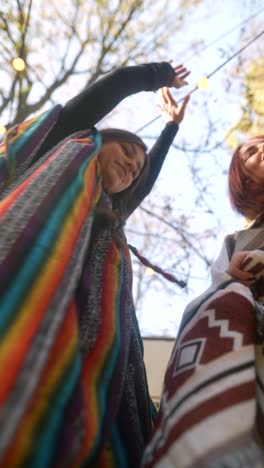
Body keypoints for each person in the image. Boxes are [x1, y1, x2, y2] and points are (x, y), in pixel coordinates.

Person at [0, 61, 190, 467]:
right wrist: (158, 76)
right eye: (126, 151)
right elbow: (115, 85)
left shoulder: (110, 218)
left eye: (137, 169)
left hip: (73, 353)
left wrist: (171, 130)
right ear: (102, 139)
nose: (133, 166)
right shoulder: (61, 141)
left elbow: (149, 173)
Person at [142, 135, 264, 467]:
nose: (263, 148)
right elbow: (219, 295)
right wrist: (236, 280)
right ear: (245, 179)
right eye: (252, 151)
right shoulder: (237, 242)